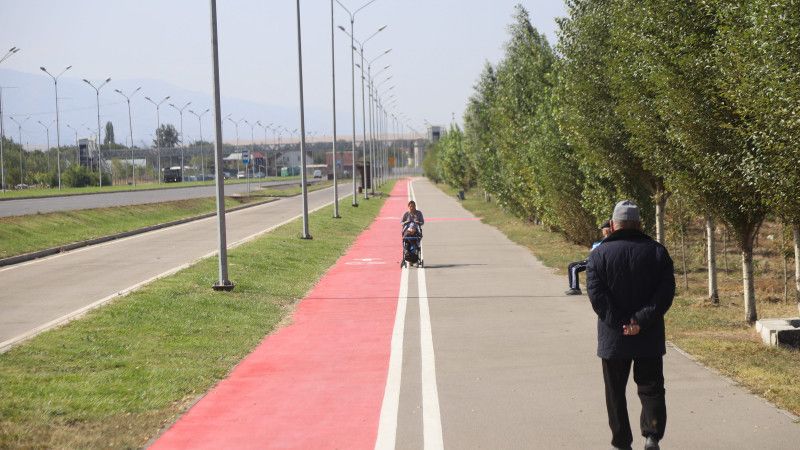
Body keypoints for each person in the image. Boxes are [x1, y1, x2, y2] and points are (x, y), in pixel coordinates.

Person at [586, 200, 675, 450]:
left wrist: (621, 323)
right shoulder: (657, 252)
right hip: (649, 333)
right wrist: (640, 321)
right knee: (651, 387)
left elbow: (597, 296)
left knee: (615, 391)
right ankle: (652, 435)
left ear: (613, 225)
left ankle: (622, 442)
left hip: (613, 336)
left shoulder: (599, 254)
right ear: (639, 224)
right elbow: (665, 294)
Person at [565, 220, 612, 295]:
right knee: (572, 266)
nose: (602, 231)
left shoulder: (608, 240)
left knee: (574, 267)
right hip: (593, 259)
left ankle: (575, 289)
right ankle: (574, 287)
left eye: (602, 229)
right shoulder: (604, 240)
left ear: (606, 230)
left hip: (596, 261)